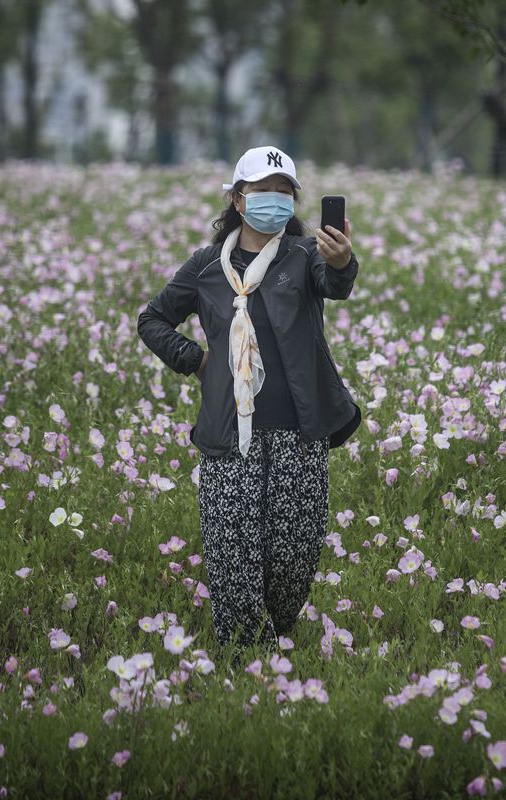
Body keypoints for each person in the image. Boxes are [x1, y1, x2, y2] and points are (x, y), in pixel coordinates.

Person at [137, 145, 362, 660]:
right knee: (233, 558)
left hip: (298, 435)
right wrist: (196, 361)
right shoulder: (206, 266)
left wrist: (342, 262)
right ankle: (244, 663)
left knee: (293, 559)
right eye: (263, 191)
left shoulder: (303, 256)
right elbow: (152, 319)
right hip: (229, 434)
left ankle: (275, 646)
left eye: (285, 192)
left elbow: (335, 284)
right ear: (238, 200)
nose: (275, 200)